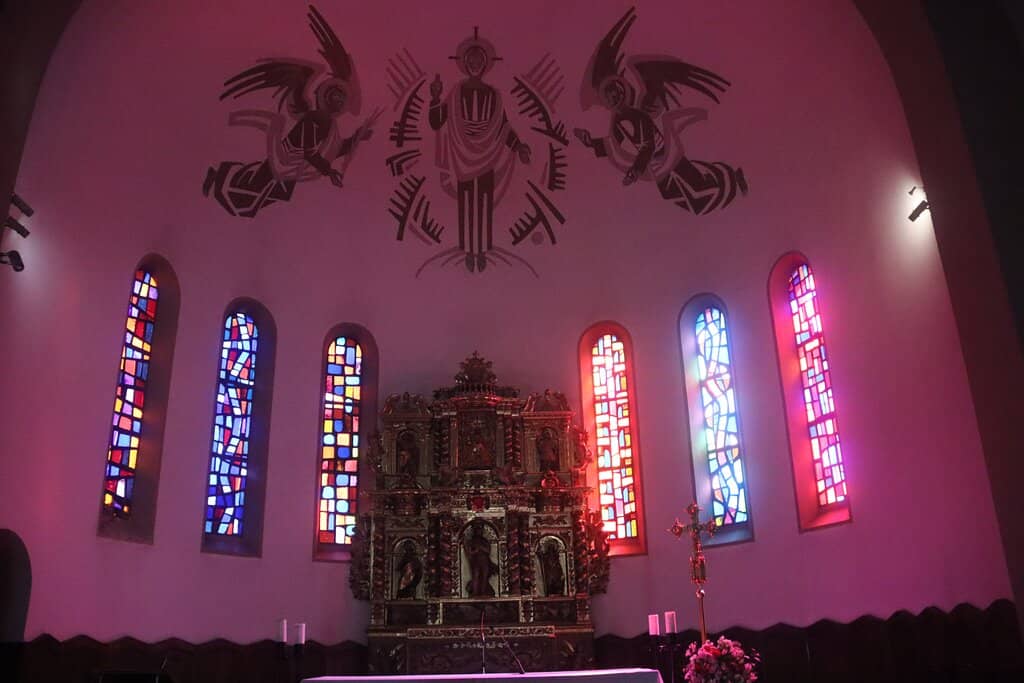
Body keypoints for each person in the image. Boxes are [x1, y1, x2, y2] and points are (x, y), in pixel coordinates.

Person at [429, 28, 530, 272]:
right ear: (465, 64)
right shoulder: (455, 93)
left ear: (485, 65)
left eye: (479, 60)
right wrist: (434, 97)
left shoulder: (494, 95)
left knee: (484, 200)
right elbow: (436, 122)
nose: (474, 63)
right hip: (463, 157)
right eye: (470, 60)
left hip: (486, 156)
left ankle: (482, 249)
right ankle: (467, 250)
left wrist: (519, 146)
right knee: (466, 201)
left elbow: (502, 126)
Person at [463, 521, 498, 596]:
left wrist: (479, 547)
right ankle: (475, 593)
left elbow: (488, 550)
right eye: (477, 529)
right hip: (476, 562)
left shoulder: (484, 541)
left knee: (484, 577)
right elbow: (470, 552)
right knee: (476, 576)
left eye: (480, 529)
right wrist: (476, 550)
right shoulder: (472, 541)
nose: (478, 530)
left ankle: (483, 592)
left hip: (485, 562)